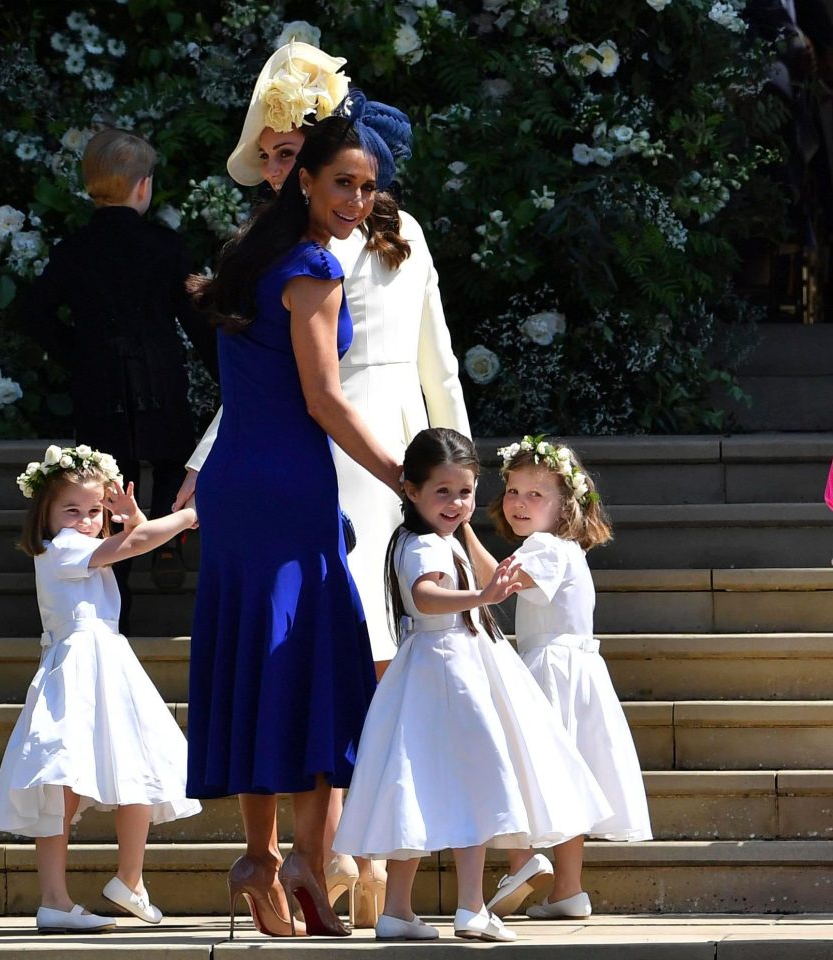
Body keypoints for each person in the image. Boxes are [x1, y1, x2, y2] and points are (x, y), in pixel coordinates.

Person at [175, 41, 470, 926]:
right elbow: (324, 401)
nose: (357, 200)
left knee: (266, 670)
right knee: (311, 671)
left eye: (364, 185)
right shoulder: (310, 268)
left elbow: (273, 387)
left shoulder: (248, 255)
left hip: (253, 480)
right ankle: (296, 863)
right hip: (300, 478)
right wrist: (408, 479)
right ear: (303, 179)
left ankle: (284, 865)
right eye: (340, 182)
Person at [333, 428, 613, 942]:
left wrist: (479, 589)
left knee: (419, 787)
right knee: (479, 781)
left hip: (440, 668)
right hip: (449, 671)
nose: (457, 503)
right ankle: (470, 907)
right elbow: (426, 596)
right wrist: (480, 596)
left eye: (464, 492)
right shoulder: (422, 546)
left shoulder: (436, 540)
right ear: (411, 490)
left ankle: (399, 910)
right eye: (442, 491)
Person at [0, 444, 201, 933]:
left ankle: (131, 880)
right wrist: (189, 515)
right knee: (62, 780)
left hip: (108, 662)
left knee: (135, 766)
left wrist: (131, 516)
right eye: (72, 509)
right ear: (45, 513)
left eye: (94, 511)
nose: (85, 520)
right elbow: (134, 546)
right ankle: (54, 899)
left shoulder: (84, 547)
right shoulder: (61, 547)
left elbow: (134, 538)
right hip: (79, 668)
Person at [24, 127, 218, 630]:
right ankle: (166, 539)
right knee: (174, 458)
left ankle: (118, 591)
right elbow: (194, 317)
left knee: (107, 481)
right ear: (143, 187)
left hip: (99, 384)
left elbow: (36, 312)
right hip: (159, 376)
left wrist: (75, 353)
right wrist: (228, 374)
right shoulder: (166, 247)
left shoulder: (75, 249)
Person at [483, 435, 652, 920]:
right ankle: (568, 889)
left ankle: (523, 861)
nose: (519, 503)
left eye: (536, 495)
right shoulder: (562, 548)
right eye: (514, 491)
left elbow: (498, 587)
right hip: (576, 671)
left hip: (548, 672)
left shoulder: (545, 546)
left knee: (527, 769)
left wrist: (459, 540)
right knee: (566, 778)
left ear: (564, 507)